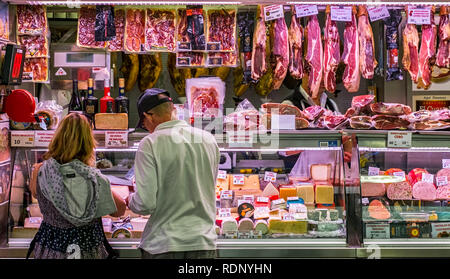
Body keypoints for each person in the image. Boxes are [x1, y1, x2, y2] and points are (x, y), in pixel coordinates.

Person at [125, 88, 220, 259]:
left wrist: (129, 200)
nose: (146, 128)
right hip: (204, 243)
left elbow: (145, 203)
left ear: (148, 116)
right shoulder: (207, 139)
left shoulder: (150, 143)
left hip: (165, 244)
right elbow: (209, 187)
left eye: (143, 124)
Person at [28, 112, 126, 259]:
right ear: (88, 142)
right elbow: (120, 210)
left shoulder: (40, 170)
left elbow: (35, 193)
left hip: (50, 249)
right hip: (88, 251)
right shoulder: (95, 179)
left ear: (58, 137)